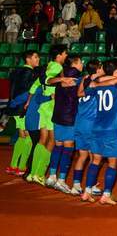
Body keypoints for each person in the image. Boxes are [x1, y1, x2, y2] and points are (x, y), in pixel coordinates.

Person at [81, 60, 117, 204]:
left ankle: (87, 191)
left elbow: (82, 92)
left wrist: (99, 80)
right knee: (113, 162)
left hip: (96, 127)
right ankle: (106, 194)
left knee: (96, 161)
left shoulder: (97, 85)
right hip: (111, 129)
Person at [26, 45, 68, 186]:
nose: (66, 56)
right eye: (65, 53)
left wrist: (29, 101)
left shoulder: (48, 65)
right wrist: (62, 79)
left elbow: (35, 84)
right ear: (59, 55)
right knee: (52, 141)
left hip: (43, 108)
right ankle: (39, 173)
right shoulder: (57, 66)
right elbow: (47, 80)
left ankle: (32, 173)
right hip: (51, 107)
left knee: (42, 139)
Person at [45, 55, 83, 193]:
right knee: (68, 149)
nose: (82, 64)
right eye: (80, 62)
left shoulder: (61, 74)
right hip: (69, 118)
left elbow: (47, 80)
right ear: (75, 64)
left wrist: (61, 79)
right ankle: (61, 180)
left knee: (58, 146)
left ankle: (52, 176)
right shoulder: (77, 77)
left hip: (58, 116)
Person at [5, 50, 40, 176]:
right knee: (28, 137)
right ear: (28, 59)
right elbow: (26, 92)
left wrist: (13, 103)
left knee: (22, 136)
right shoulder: (29, 73)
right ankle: (21, 167)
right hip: (22, 108)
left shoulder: (17, 71)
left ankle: (14, 166)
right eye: (35, 57)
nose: (38, 59)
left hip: (16, 108)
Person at [70, 60, 102, 196]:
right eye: (101, 67)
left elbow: (79, 92)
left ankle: (76, 185)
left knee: (82, 156)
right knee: (94, 157)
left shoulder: (84, 79)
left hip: (79, 122)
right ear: (98, 70)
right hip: (90, 123)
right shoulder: (96, 84)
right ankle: (91, 185)